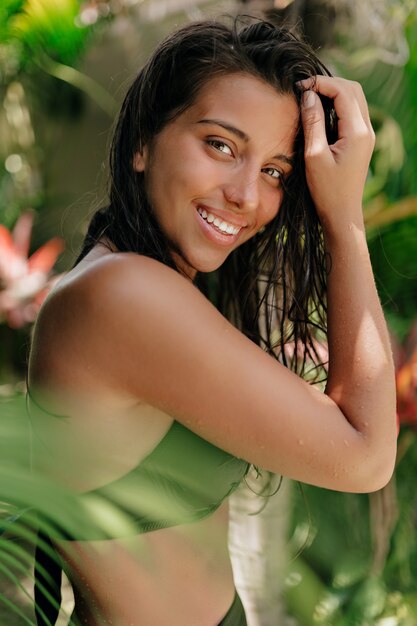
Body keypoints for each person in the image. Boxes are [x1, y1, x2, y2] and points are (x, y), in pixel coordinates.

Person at [27, 16, 397, 626]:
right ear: (142, 143)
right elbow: (366, 456)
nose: (247, 196)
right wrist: (345, 217)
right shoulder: (124, 295)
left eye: (275, 171)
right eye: (221, 146)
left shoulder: (158, 283)